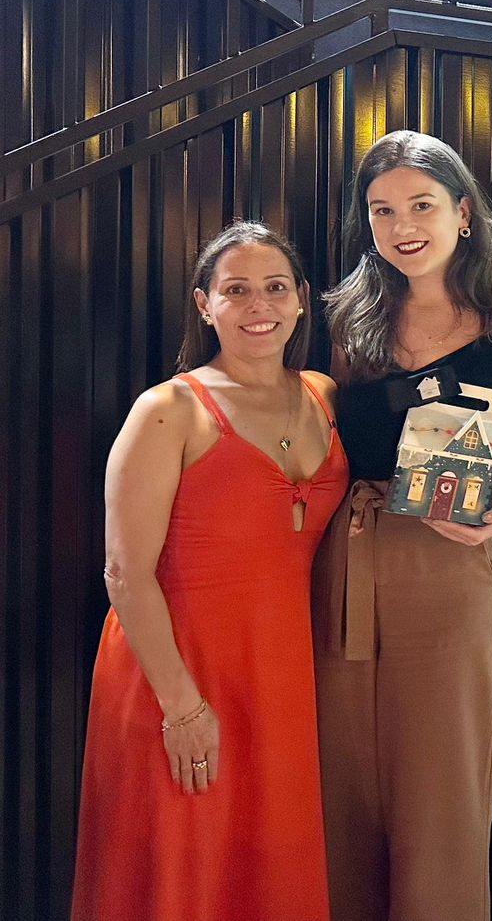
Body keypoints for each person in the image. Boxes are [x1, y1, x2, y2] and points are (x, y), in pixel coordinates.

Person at [73, 222, 349, 921]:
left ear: (301, 299)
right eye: (236, 290)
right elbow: (124, 573)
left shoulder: (326, 395)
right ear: (205, 304)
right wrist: (182, 708)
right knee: (180, 871)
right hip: (177, 673)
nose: (259, 306)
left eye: (275, 287)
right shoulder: (169, 410)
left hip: (282, 674)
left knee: (269, 871)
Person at [317, 130, 492, 921]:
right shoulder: (349, 318)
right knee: (344, 772)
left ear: (462, 212)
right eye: (382, 210)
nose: (402, 226)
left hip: (454, 562)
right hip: (348, 556)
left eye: (421, 205)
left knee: (443, 776)